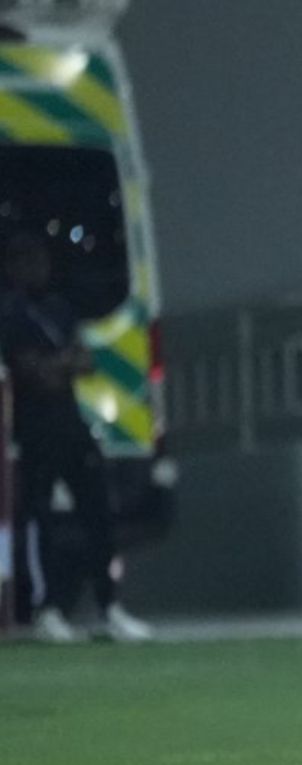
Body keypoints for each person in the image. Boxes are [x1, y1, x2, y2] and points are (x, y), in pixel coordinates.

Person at [0, 232, 150, 644]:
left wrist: (59, 363)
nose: (40, 269)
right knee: (40, 518)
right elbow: (34, 373)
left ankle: (109, 607)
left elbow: (85, 362)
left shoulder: (59, 308)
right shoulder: (12, 315)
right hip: (34, 429)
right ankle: (47, 610)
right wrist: (62, 362)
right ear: (13, 267)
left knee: (97, 511)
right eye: (30, 261)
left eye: (42, 260)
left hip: (72, 426)